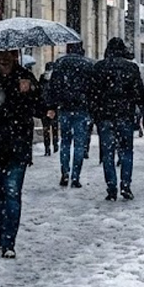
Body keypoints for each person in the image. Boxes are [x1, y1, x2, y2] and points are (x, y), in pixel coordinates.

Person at [0, 49, 41, 258]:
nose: (4, 57)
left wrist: (29, 91)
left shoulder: (25, 76)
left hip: (17, 144)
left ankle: (9, 241)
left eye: (8, 54)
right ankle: (2, 230)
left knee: (12, 192)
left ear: (15, 55)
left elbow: (38, 107)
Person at [91, 38, 144, 201]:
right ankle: (126, 185)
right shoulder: (131, 68)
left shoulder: (99, 67)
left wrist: (95, 112)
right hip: (125, 115)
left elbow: (92, 93)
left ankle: (111, 187)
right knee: (126, 150)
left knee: (107, 153)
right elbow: (139, 93)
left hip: (105, 116)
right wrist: (142, 110)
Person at [44, 43, 95, 188]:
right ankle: (75, 176)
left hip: (65, 108)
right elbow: (92, 89)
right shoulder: (87, 64)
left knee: (65, 142)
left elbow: (53, 86)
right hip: (81, 108)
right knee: (79, 143)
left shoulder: (60, 63)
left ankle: (65, 172)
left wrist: (52, 105)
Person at [39, 62, 60, 154]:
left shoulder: (42, 78)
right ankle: (55, 144)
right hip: (54, 106)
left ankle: (47, 147)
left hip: (44, 107)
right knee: (55, 127)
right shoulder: (55, 78)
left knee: (46, 128)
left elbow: (39, 91)